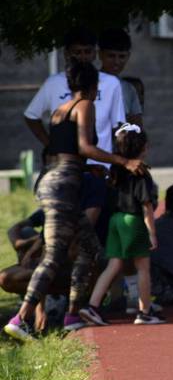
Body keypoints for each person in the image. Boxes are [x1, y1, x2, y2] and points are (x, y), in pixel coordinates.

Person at [5, 61, 144, 341]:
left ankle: (72, 314)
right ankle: (21, 318)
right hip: (63, 188)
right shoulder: (85, 105)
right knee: (56, 253)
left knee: (89, 249)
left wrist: (86, 167)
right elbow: (85, 147)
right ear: (93, 87)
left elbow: (63, 152)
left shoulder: (59, 111)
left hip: (55, 180)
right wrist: (123, 160)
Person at [24, 27, 127, 231]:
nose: (82, 57)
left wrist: (118, 164)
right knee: (70, 238)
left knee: (86, 237)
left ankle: (28, 238)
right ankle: (30, 241)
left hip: (96, 171)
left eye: (87, 51)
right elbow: (32, 116)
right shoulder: (59, 86)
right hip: (67, 173)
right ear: (66, 54)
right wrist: (51, 144)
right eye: (77, 52)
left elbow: (118, 127)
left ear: (95, 53)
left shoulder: (110, 83)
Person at [79, 125, 162, 326]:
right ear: (143, 147)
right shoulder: (140, 172)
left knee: (114, 264)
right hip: (132, 221)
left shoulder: (115, 169)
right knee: (143, 267)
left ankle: (92, 306)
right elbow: (146, 205)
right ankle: (144, 312)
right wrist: (152, 232)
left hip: (115, 220)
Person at [99, 28, 143, 127]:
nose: (116, 62)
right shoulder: (89, 84)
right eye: (111, 56)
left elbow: (137, 127)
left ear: (128, 56)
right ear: (100, 54)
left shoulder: (129, 88)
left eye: (121, 57)